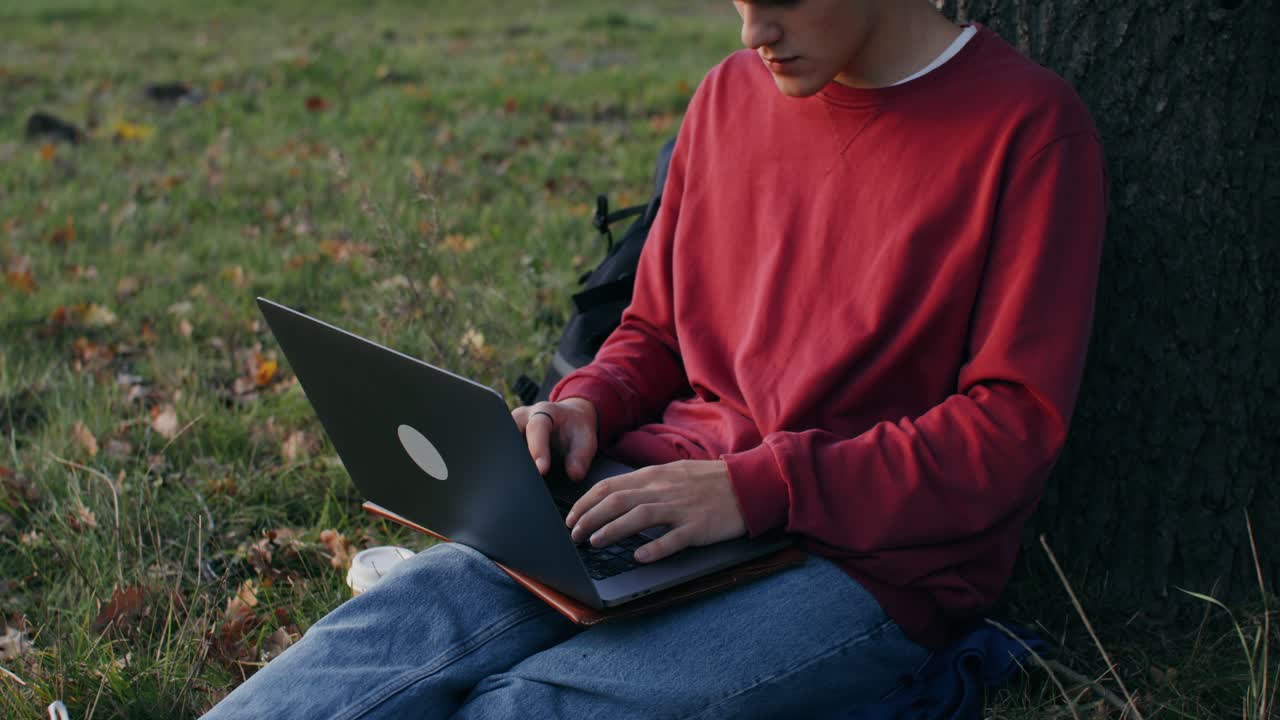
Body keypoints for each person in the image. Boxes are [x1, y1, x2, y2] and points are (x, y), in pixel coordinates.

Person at [203, 0, 1105, 717]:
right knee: (396, 632)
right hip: (647, 501)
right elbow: (657, 332)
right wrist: (586, 406)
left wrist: (756, 489)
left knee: (531, 707)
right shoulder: (729, 96)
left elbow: (1009, 432)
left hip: (863, 560)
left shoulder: (1026, 129)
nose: (755, 31)